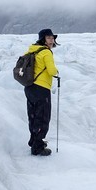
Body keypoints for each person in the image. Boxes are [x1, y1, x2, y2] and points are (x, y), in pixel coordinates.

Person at [24, 28, 59, 156]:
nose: (51, 40)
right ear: (43, 39)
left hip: (29, 87)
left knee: (33, 116)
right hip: (41, 88)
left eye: (52, 38)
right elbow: (51, 71)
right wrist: (56, 72)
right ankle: (38, 147)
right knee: (43, 117)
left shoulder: (32, 50)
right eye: (48, 38)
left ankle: (33, 140)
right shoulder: (46, 52)